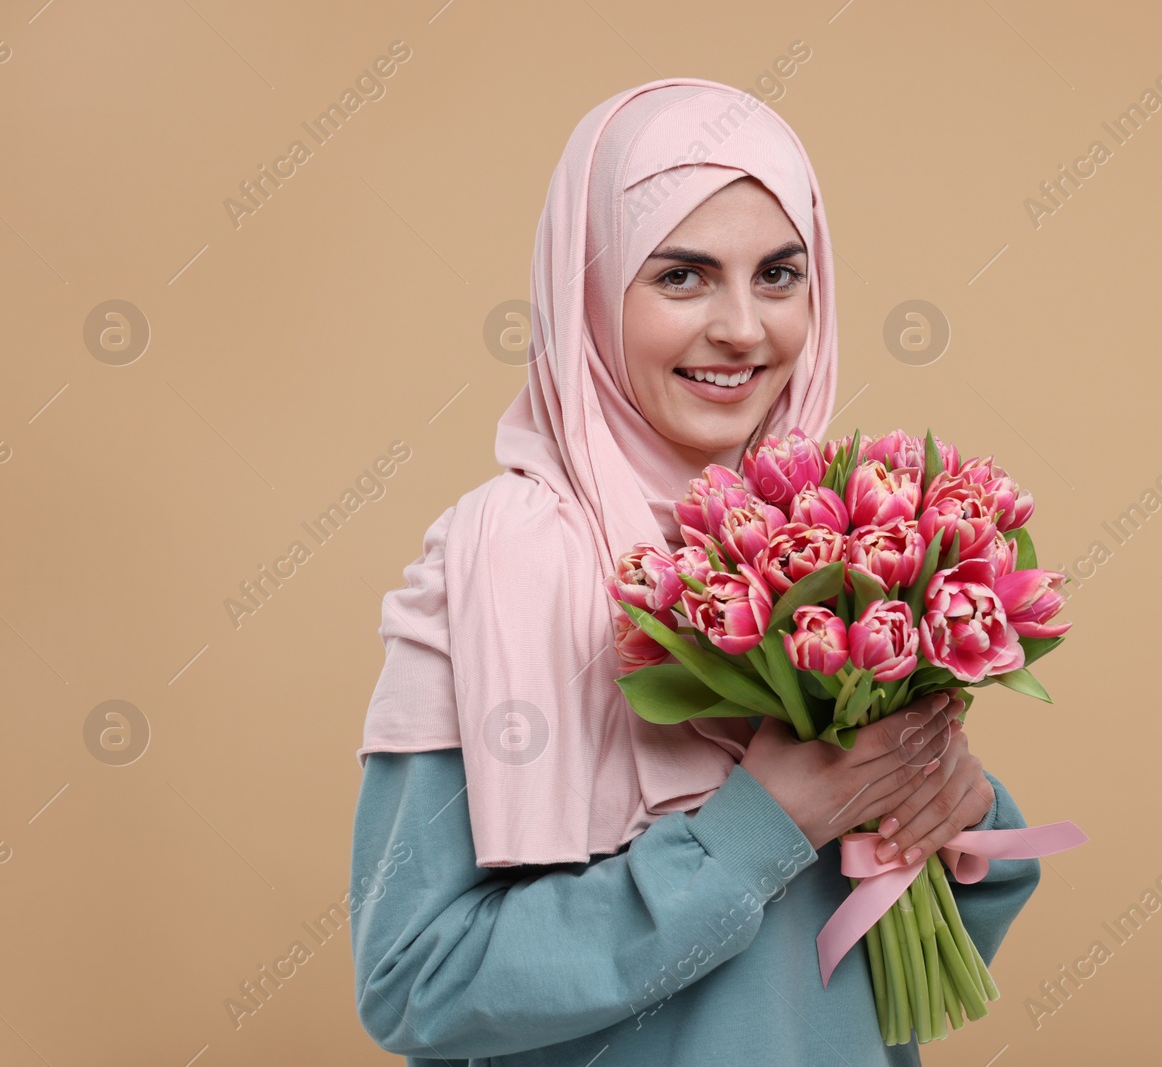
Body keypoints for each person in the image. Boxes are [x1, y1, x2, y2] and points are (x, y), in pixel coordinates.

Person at [350, 78, 1042, 1066]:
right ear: (586, 291)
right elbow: (416, 982)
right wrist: (755, 828)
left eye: (777, 274)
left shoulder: (844, 541)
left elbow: (881, 981)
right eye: (681, 276)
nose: (743, 329)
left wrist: (948, 808)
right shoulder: (497, 564)